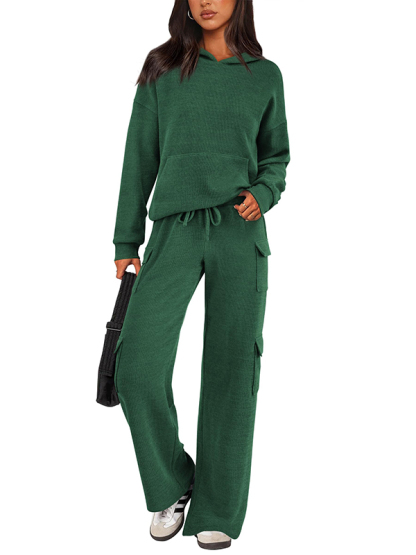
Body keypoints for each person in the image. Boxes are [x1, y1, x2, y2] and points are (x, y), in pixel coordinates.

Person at [111, 0, 290, 549]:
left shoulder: (265, 76)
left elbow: (276, 157)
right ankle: (173, 482)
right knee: (136, 367)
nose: (206, 1)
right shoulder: (161, 68)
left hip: (240, 229)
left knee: (234, 369)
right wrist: (126, 239)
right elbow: (139, 156)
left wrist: (264, 192)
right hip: (175, 228)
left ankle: (218, 508)